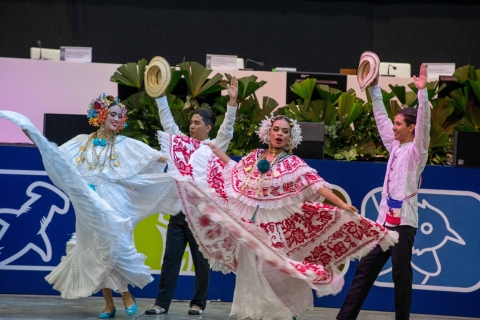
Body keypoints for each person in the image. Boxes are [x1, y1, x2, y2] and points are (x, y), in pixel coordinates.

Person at [158, 114, 399, 320]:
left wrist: (341, 203)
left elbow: (316, 185)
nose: (280, 134)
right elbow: (233, 169)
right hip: (249, 225)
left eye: (285, 131)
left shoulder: (293, 163)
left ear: (289, 137)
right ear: (268, 132)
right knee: (252, 275)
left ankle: (285, 313)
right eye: (276, 130)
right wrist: (217, 151)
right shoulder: (254, 157)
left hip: (277, 228)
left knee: (278, 273)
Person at [0, 94, 180, 319]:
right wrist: (34, 136)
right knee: (95, 250)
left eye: (119, 116)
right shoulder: (81, 142)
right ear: (100, 115)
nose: (116, 119)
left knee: (112, 246)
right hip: (88, 203)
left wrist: (182, 158)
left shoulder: (126, 144)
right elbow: (57, 155)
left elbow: (156, 157)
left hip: (115, 201)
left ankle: (125, 294)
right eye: (112, 114)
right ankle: (108, 305)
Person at [336, 64, 430, 320]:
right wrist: (375, 87)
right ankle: (344, 318)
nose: (394, 127)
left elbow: (425, 126)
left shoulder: (416, 152)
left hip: (403, 225)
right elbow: (380, 118)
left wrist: (422, 94)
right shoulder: (394, 146)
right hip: (383, 223)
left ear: (411, 128)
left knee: (402, 277)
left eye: (399, 124)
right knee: (364, 271)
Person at [144, 76, 239, 315]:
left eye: (197, 122)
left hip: (202, 216)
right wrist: (161, 96)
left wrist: (233, 103)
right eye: (191, 121)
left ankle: (198, 304)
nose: (192, 125)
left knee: (201, 263)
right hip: (178, 212)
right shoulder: (181, 145)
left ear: (208, 128)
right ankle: (161, 304)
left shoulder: (215, 147)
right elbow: (168, 124)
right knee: (170, 261)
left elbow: (227, 130)